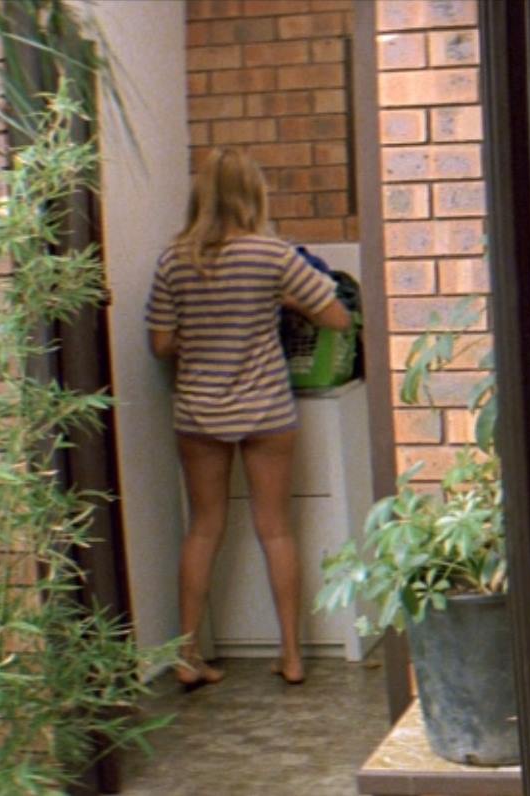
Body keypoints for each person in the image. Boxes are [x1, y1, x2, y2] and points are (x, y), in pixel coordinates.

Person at [147, 148, 351, 689]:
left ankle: (186, 656)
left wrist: (202, 333)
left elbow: (161, 344)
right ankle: (292, 656)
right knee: (276, 529)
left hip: (199, 411)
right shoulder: (273, 254)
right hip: (266, 409)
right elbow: (338, 318)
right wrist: (287, 301)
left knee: (203, 529)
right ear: (252, 195)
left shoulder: (174, 260)